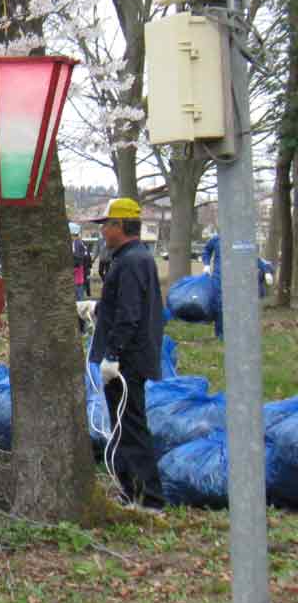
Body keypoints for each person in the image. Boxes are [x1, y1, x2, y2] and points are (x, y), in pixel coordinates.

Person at [88, 197, 165, 508]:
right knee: (123, 426)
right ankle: (130, 491)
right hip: (130, 356)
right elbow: (124, 305)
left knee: (130, 427)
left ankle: (149, 499)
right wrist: (98, 309)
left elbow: (130, 314)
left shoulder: (132, 261)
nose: (103, 231)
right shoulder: (134, 257)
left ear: (120, 225)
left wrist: (114, 355)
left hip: (127, 361)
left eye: (106, 225)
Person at [70, 223, 92, 302]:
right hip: (81, 268)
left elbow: (79, 257)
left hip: (79, 268)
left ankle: (80, 304)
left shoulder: (77, 243)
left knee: (78, 288)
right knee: (79, 287)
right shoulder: (79, 242)